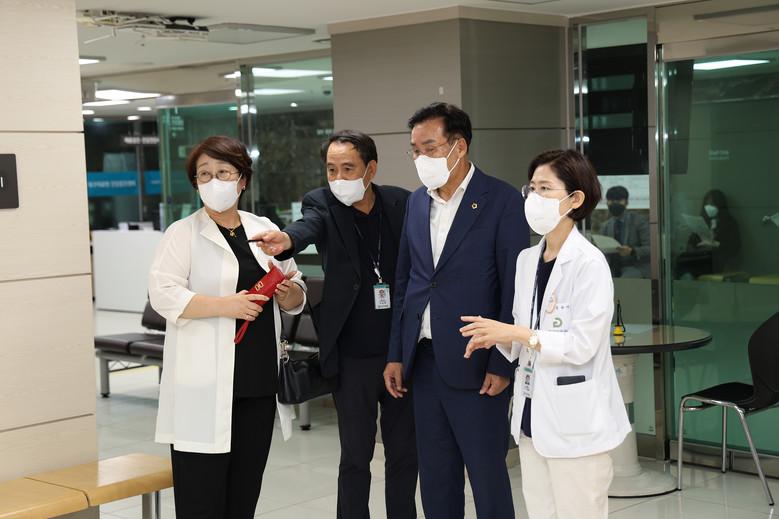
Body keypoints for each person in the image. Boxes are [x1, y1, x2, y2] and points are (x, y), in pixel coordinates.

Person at [252, 130, 417, 519]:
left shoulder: (401, 202)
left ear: (370, 169)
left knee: (404, 453)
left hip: (400, 351)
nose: (338, 178)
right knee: (356, 456)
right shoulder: (322, 202)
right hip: (352, 356)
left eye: (348, 169)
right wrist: (286, 240)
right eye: (331, 169)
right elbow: (307, 227)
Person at [460, 149, 631, 519]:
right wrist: (495, 336)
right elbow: (523, 332)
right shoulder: (527, 260)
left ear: (575, 199)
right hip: (531, 414)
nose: (533, 197)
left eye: (545, 188)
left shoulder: (589, 264)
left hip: (577, 421)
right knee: (541, 511)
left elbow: (582, 346)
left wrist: (516, 332)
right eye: (531, 188)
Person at [148, 135, 306, 519]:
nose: (214, 181)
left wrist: (290, 294)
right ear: (196, 182)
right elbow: (163, 294)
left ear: (242, 180)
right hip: (202, 386)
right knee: (200, 499)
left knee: (243, 495)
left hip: (257, 382)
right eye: (205, 174)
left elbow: (295, 286)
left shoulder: (263, 228)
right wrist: (225, 305)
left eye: (223, 172)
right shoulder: (182, 233)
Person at [384, 102, 527, 519]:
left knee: (487, 476)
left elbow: (513, 289)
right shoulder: (416, 203)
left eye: (429, 148)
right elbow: (405, 283)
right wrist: (397, 353)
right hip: (424, 362)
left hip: (477, 361)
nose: (420, 158)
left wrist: (502, 362)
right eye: (414, 150)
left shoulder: (501, 200)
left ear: (458, 146)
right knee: (436, 477)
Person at [679, 188, 741, 277]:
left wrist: (715, 244)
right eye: (706, 204)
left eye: (712, 204)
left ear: (719, 205)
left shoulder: (730, 223)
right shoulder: (703, 221)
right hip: (700, 258)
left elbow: (734, 247)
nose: (708, 207)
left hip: (717, 261)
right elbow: (691, 242)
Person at [600, 185, 650, 278]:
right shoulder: (605, 226)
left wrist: (632, 251)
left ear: (626, 202)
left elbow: (651, 248)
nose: (615, 203)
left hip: (636, 266)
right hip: (613, 267)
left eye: (619, 200)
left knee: (626, 278)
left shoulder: (639, 221)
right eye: (611, 200)